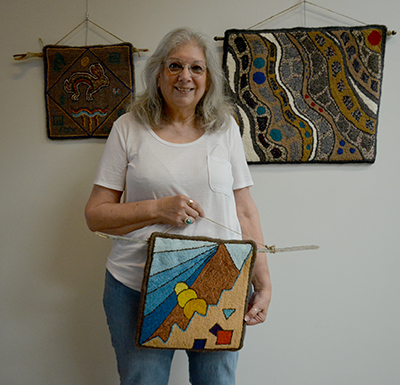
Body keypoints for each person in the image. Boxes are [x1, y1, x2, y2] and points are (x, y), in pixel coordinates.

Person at [85, 27, 271, 385]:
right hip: (135, 286)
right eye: (174, 66)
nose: (185, 77)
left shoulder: (226, 129)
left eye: (196, 68)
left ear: (209, 79)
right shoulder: (128, 128)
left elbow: (244, 209)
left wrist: (262, 281)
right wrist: (157, 209)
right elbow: (95, 215)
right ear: (158, 74)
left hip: (219, 284)